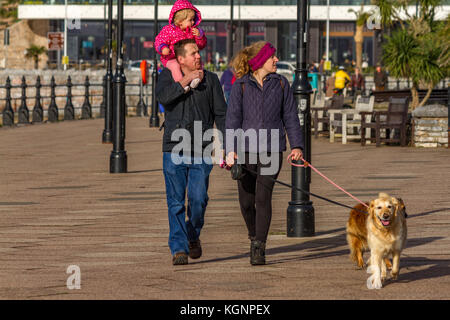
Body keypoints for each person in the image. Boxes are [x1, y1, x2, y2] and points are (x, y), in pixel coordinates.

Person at [225, 41, 304, 266]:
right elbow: (232, 121)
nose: (276, 60)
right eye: (272, 57)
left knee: (263, 197)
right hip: (245, 151)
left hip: (272, 150)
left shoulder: (281, 84)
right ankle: (253, 233)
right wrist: (231, 150)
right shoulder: (240, 86)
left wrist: (297, 146)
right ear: (260, 61)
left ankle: (259, 245)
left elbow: (290, 116)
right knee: (246, 202)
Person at [156, 39, 227, 265]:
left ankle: (192, 233)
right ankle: (178, 248)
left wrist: (228, 146)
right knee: (175, 202)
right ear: (180, 59)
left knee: (198, 200)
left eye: (198, 52)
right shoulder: (166, 76)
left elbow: (222, 115)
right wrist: (185, 81)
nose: (198, 56)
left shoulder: (212, 80)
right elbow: (163, 99)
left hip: (201, 149)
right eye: (193, 53)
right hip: (174, 148)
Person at [154, 0, 207, 92]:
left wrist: (199, 36)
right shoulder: (169, 30)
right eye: (190, 20)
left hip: (186, 58)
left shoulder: (193, 31)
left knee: (199, 64)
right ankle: (181, 84)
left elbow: (201, 46)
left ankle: (196, 80)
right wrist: (163, 48)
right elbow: (159, 40)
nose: (193, 22)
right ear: (180, 21)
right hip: (171, 58)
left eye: (194, 19)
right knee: (175, 66)